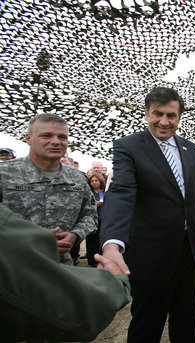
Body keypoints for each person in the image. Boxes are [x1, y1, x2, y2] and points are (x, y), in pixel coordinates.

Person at [100, 87, 195, 343]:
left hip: (188, 253)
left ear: (179, 117)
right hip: (151, 255)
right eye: (157, 114)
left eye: (171, 115)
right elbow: (122, 193)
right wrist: (112, 244)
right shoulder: (127, 147)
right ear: (146, 113)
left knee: (186, 321)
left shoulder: (189, 149)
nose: (164, 121)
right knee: (147, 325)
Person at [0, 204, 131, 343]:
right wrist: (112, 282)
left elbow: (89, 214)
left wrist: (76, 234)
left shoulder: (78, 182)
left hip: (65, 265)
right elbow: (79, 310)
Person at [0, 113, 97, 265]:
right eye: (46, 136)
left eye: (62, 137)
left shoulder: (77, 178)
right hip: (10, 270)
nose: (55, 142)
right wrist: (25, 240)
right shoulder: (4, 174)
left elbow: (89, 215)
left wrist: (75, 235)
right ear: (28, 138)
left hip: (59, 269)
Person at [86, 173, 105, 267]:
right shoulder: (89, 192)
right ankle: (92, 260)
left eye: (96, 180)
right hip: (93, 219)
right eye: (92, 181)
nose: (94, 183)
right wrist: (95, 205)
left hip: (104, 219)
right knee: (92, 240)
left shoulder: (105, 191)